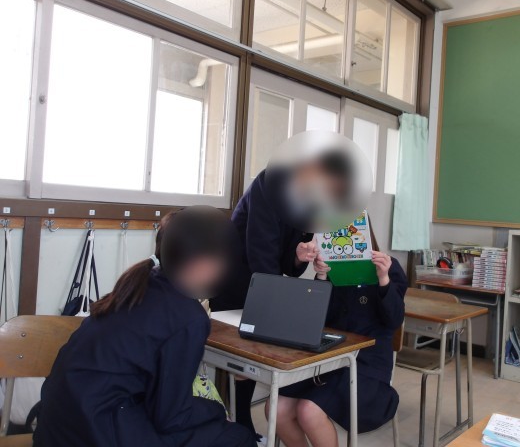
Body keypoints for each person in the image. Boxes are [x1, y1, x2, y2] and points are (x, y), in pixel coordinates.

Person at [33, 206, 255, 447]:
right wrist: (215, 410)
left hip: (56, 426)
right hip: (95, 428)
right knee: (238, 437)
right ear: (204, 265)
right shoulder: (188, 317)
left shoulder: (139, 284)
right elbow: (171, 417)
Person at [210, 149, 357, 443]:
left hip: (266, 281)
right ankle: (236, 427)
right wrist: (277, 301)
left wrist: (299, 256)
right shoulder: (270, 182)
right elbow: (260, 250)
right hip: (236, 278)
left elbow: (292, 259)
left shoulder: (312, 201)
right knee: (238, 361)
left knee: (250, 361)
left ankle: (239, 427)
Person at [270, 229, 407, 447]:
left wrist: (383, 279)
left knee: (308, 411)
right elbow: (315, 318)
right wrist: (322, 277)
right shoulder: (333, 268)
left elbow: (394, 319)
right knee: (276, 409)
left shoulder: (390, 266)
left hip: (367, 367)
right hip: (329, 360)